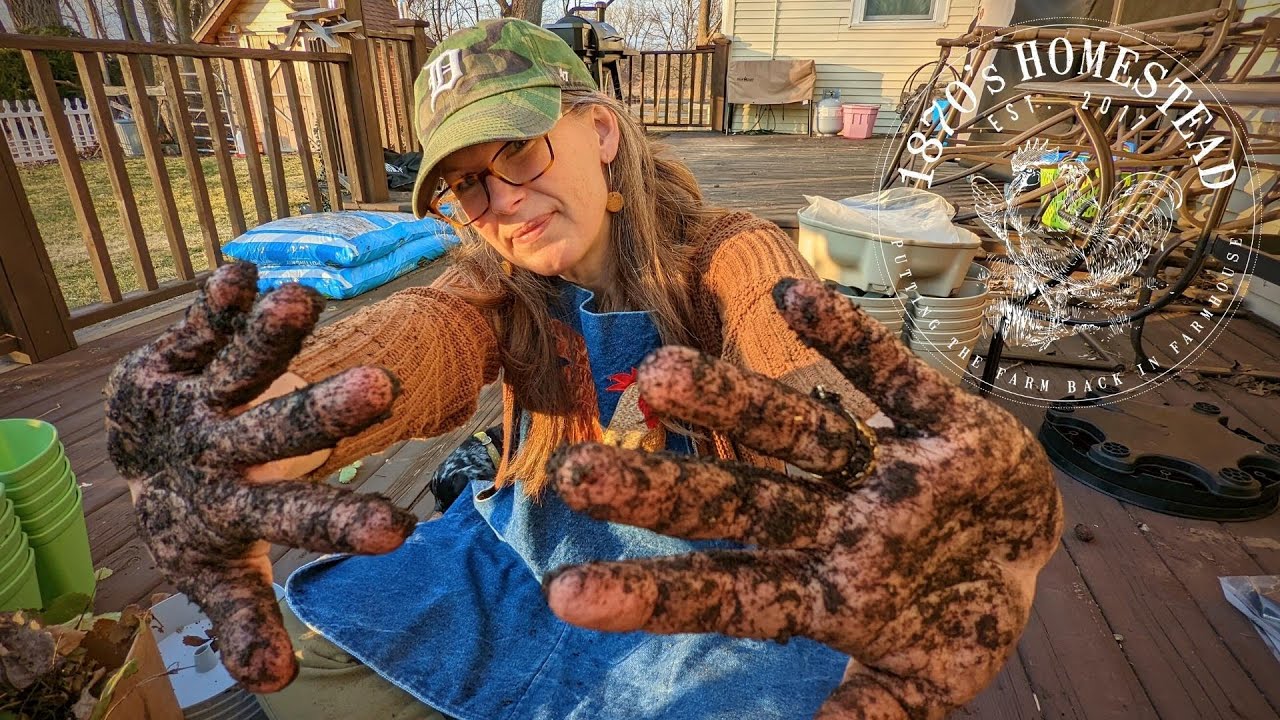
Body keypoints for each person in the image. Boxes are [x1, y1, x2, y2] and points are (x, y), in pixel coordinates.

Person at [103, 18, 1064, 720]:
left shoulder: (727, 248)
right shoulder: (488, 284)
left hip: (717, 579)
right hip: (532, 547)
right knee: (311, 666)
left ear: (599, 131)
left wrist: (868, 447)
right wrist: (249, 428)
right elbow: (415, 339)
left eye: (517, 150)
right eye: (465, 184)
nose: (503, 202)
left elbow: (791, 343)